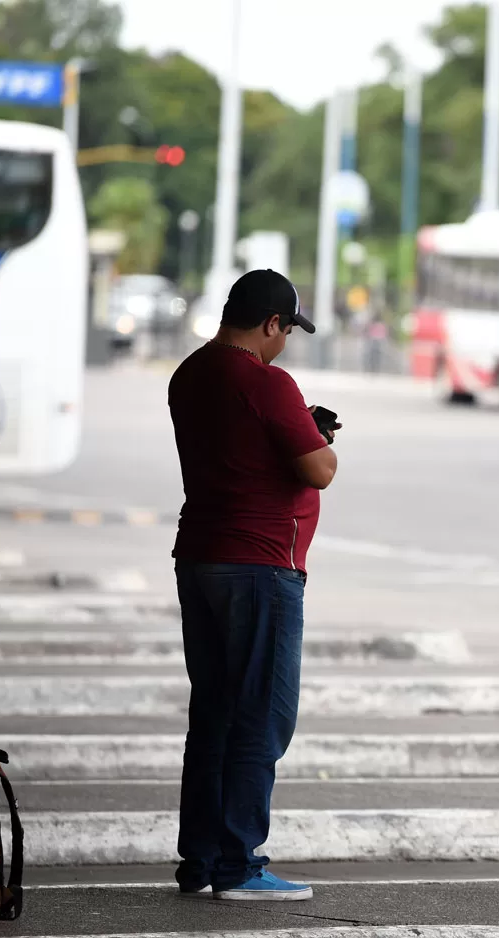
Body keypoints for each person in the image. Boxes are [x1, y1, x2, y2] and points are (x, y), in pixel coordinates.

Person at [167, 269, 339, 901]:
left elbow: (238, 447)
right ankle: (241, 865)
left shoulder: (189, 373)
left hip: (201, 556)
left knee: (212, 711)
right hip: (261, 564)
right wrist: (315, 432)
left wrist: (297, 425)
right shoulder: (267, 382)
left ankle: (201, 860)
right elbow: (319, 470)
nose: (286, 342)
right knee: (262, 716)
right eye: (287, 330)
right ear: (271, 322)